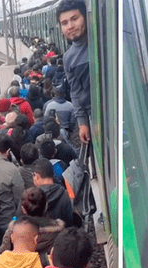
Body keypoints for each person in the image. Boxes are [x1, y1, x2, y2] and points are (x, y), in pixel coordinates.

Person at [59, 0, 91, 144]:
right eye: (64, 23)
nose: (70, 26)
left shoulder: (105, 40)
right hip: (96, 120)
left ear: (86, 17)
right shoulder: (68, 58)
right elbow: (76, 92)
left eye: (74, 19)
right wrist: (82, 123)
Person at [32, 158, 74, 227]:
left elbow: (17, 219)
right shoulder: (64, 193)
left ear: (37, 176)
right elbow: (69, 221)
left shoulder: (30, 197)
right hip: (63, 235)